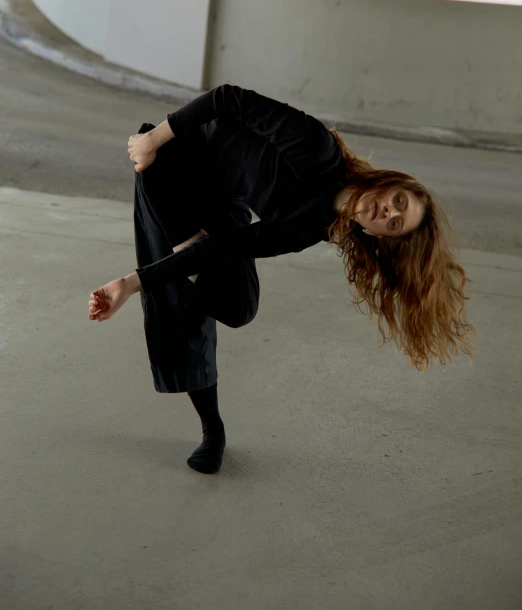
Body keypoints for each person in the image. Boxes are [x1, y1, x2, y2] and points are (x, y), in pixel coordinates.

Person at [88, 85, 474, 474]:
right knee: (178, 304)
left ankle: (188, 254)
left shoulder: (310, 228)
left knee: (239, 305)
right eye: (399, 202)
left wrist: (135, 279)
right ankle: (212, 429)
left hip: (220, 200)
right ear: (388, 183)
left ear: (378, 236)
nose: (387, 211)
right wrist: (151, 142)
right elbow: (227, 99)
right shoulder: (317, 149)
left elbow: (232, 244)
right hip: (174, 167)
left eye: (394, 223)